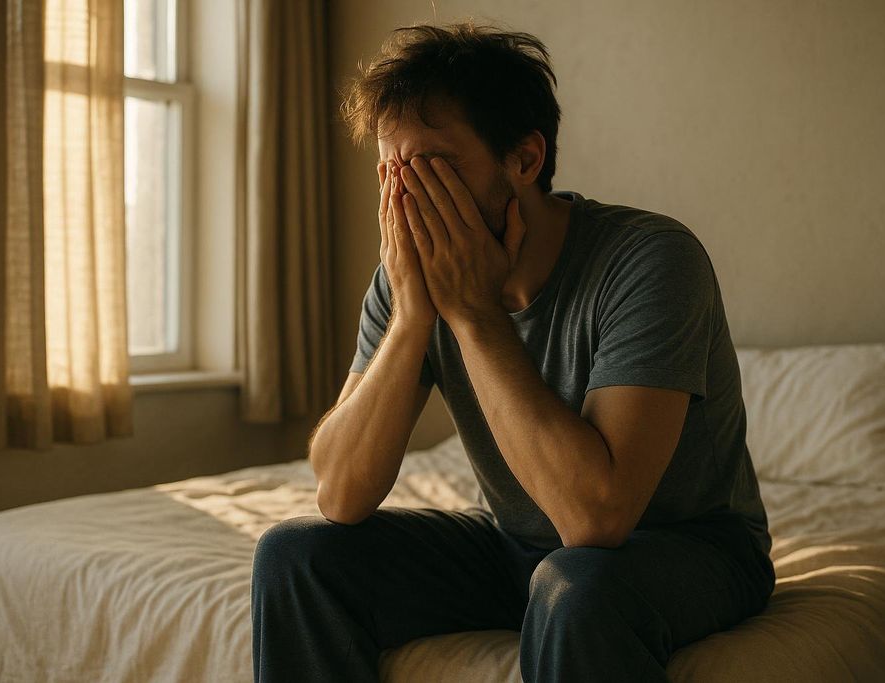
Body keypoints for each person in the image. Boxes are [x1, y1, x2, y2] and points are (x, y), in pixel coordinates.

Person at [251, 22, 775, 683]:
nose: (406, 196)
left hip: (689, 546)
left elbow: (597, 515)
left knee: (576, 584)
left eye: (431, 166)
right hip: (519, 545)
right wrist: (413, 317)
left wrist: (474, 315)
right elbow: (341, 492)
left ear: (524, 160)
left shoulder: (650, 259)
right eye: (390, 168)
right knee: (295, 556)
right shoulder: (408, 277)